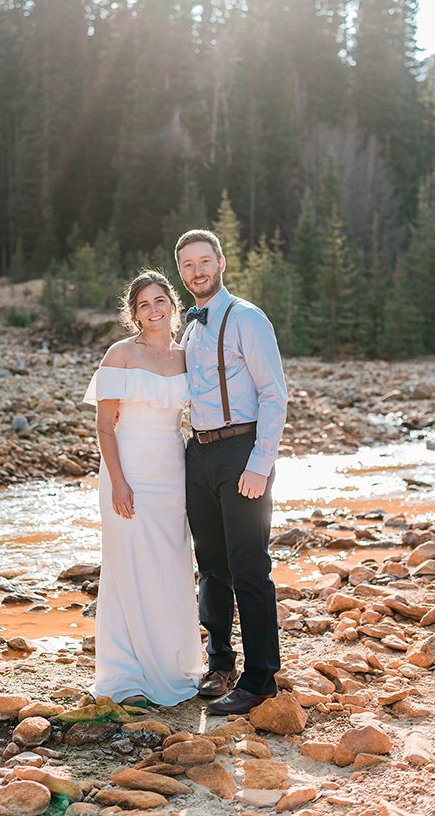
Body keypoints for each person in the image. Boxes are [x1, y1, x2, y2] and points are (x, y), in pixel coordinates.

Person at [176, 229, 288, 716]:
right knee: (211, 565)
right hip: (197, 454)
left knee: (249, 565)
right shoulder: (190, 327)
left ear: (220, 262)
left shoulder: (247, 318)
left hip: (242, 449)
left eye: (204, 261)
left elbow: (273, 395)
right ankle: (220, 662)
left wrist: (260, 465)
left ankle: (261, 677)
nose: (197, 271)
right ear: (181, 273)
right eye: (187, 265)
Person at [83, 270, 205, 706]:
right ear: (134, 314)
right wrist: (119, 482)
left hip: (173, 471)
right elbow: (104, 426)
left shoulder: (186, 355)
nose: (154, 311)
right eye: (144, 305)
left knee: (171, 566)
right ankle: (126, 674)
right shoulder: (120, 354)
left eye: (160, 301)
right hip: (128, 469)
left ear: (173, 305)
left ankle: (174, 666)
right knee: (128, 567)